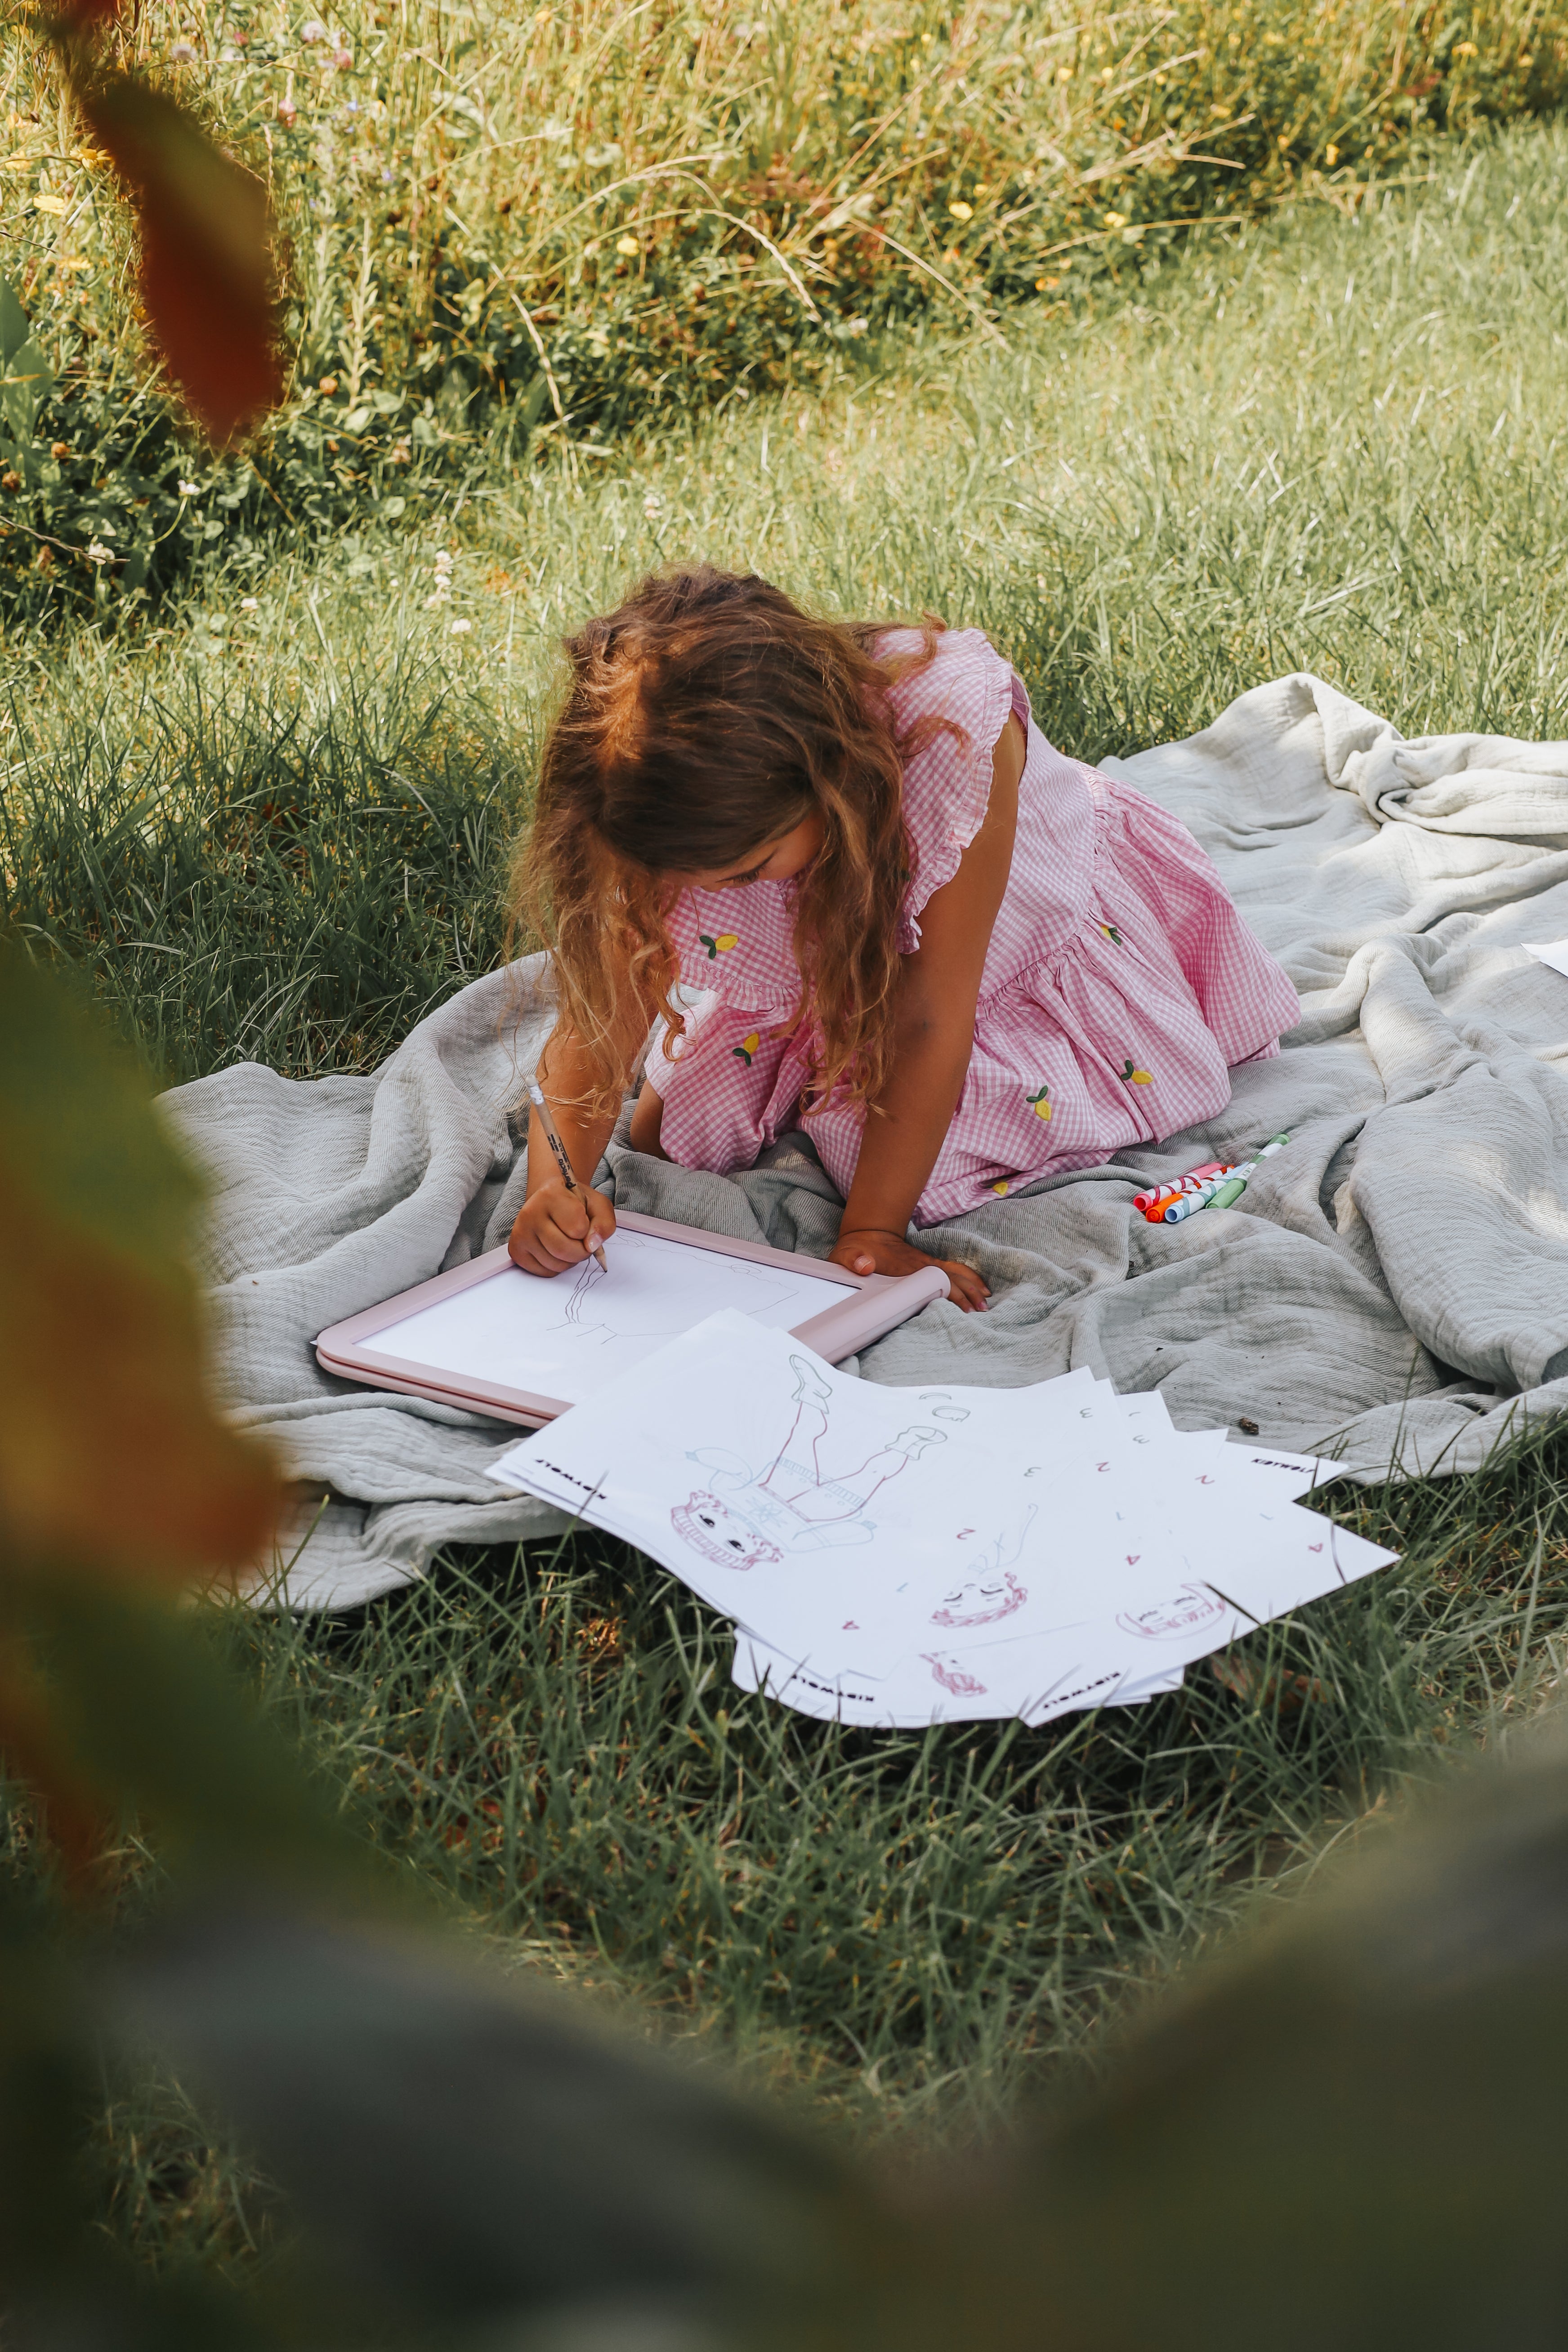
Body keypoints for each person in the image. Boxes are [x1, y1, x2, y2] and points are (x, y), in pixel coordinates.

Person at [505, 565, 1299, 1312]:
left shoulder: (953, 742)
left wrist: (874, 1232)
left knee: (925, 1162)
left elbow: (928, 1015)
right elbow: (601, 1018)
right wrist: (555, 1187)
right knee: (661, 1133)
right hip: (832, 952)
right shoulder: (647, 800)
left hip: (994, 952)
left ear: (826, 781)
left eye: (745, 874)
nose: (709, 900)